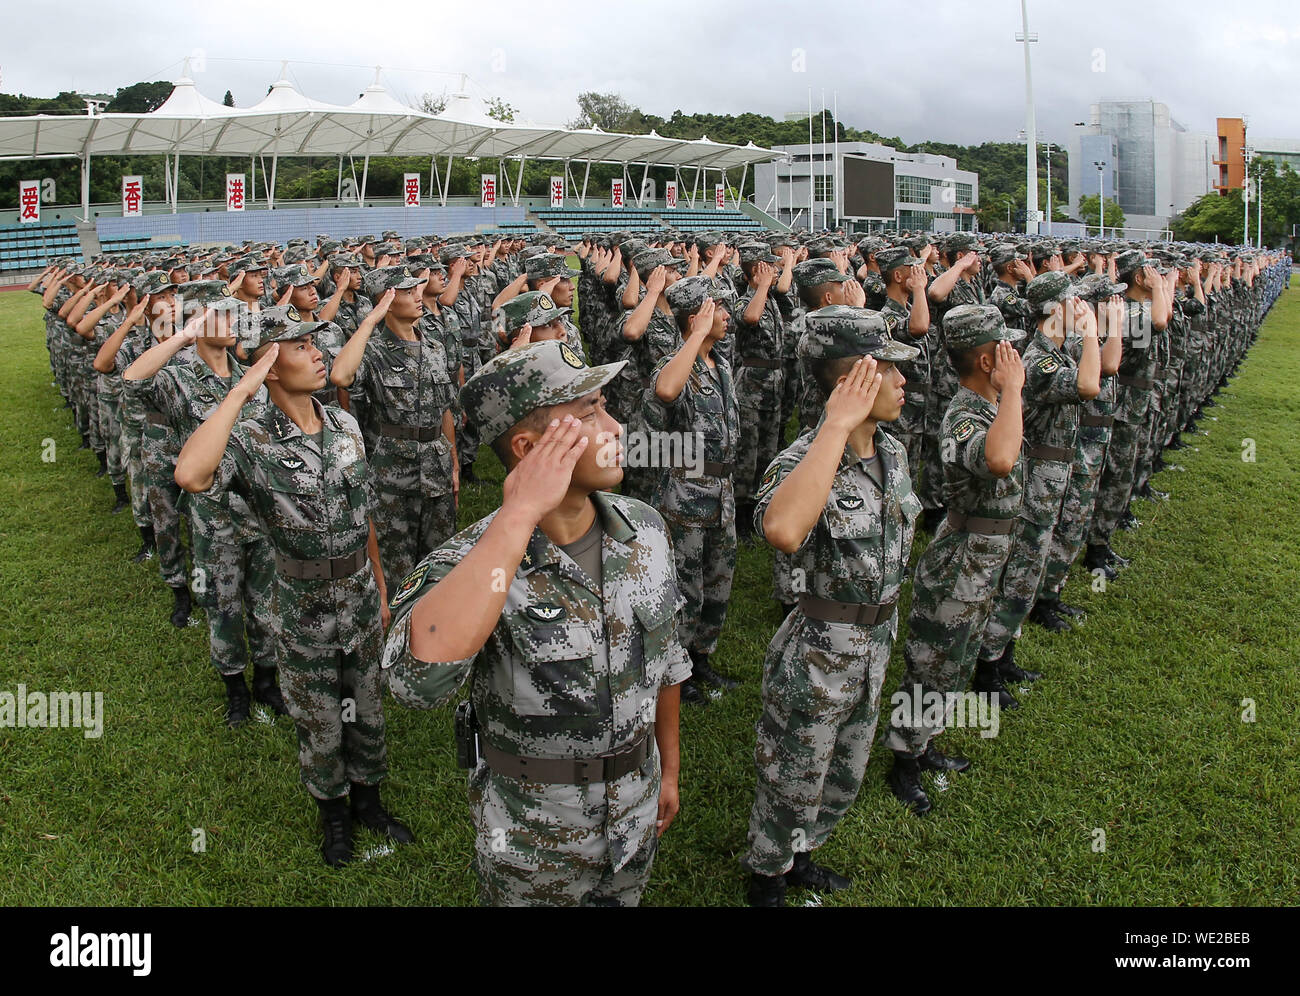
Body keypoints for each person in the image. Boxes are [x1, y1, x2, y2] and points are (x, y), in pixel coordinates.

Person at [380, 340, 688, 906]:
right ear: (528, 447)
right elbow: (413, 683)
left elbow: (667, 661)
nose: (617, 428)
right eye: (592, 412)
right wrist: (520, 512)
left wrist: (668, 768)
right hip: (531, 841)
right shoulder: (471, 563)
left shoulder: (643, 531)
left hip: (635, 811)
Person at [175, 307, 412, 868]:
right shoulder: (251, 437)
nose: (316, 352)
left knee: (366, 706)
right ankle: (333, 817)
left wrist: (379, 584)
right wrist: (239, 393)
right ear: (269, 367)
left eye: (313, 343)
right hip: (301, 606)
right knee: (319, 716)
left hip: (357, 594)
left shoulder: (344, 425)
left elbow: (366, 514)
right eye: (299, 346)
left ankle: (370, 802)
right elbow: (190, 475)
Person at [742, 306, 920, 907]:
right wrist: (835, 429)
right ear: (854, 382)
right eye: (890, 371)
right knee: (793, 771)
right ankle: (766, 878)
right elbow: (784, 531)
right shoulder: (804, 461)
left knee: (842, 769)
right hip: (819, 652)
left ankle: (803, 856)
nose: (903, 383)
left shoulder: (891, 454)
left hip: (874, 645)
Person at [881, 304, 1025, 814]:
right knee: (931, 659)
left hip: (987, 554)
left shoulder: (991, 405)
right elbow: (1000, 459)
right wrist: (1016, 392)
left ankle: (926, 742)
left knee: (957, 658)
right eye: (1007, 348)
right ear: (988, 361)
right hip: (962, 558)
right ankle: (904, 758)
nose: (1017, 354)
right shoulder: (966, 414)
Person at [124, 281, 283, 726]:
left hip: (260, 514)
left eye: (236, 314)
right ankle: (236, 688)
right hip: (215, 519)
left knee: (266, 604)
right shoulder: (178, 377)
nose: (235, 322)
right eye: (224, 314)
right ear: (200, 319)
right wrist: (181, 336)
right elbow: (132, 381)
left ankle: (266, 681)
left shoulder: (245, 371)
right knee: (223, 605)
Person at [976, 271, 1101, 693]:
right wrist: (1093, 335)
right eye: (1072, 303)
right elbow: (1088, 386)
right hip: (1034, 479)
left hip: (1053, 473)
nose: (1080, 310)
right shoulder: (1039, 361)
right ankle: (987, 665)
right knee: (1019, 570)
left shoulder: (1058, 354)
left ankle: (1002, 652)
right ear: (1052, 311)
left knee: (1028, 569)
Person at [644, 275, 742, 703]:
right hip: (686, 494)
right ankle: (677, 672)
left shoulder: (719, 361)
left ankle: (702, 659)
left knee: (718, 581)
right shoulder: (675, 362)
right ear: (695, 317)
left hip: (721, 490)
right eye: (717, 308)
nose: (726, 315)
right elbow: (666, 392)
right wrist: (696, 336)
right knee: (687, 586)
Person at [329, 268, 459, 584]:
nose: (418, 294)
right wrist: (369, 321)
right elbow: (340, 377)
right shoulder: (373, 351)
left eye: (418, 288)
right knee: (397, 567)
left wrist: (453, 462)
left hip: (437, 468)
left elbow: (445, 410)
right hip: (394, 477)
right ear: (385, 300)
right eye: (406, 291)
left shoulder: (433, 346)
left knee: (440, 561)